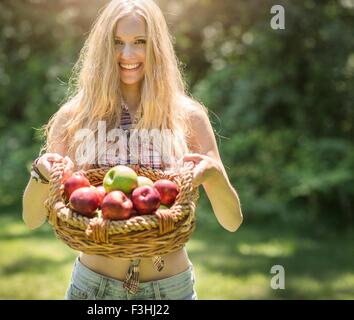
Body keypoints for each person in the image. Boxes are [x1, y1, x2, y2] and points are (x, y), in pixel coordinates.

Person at [22, 0, 243, 300]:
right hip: (94, 289)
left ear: (157, 47)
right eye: (117, 42)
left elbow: (232, 222)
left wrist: (214, 174)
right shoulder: (74, 118)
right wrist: (41, 173)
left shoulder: (187, 116)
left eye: (140, 41)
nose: (128, 54)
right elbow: (32, 218)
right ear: (103, 47)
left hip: (170, 290)